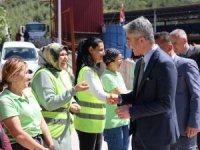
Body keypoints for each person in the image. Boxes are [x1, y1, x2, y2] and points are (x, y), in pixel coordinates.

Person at [115, 16, 179, 150]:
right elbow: (140, 93)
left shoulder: (164, 64)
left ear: (142, 40)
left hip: (158, 138)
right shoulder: (140, 63)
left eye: (129, 40)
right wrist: (121, 98)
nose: (127, 45)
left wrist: (131, 111)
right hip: (140, 135)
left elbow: (165, 104)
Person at [31, 43, 89, 150]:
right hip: (49, 131)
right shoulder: (43, 75)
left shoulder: (63, 73)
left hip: (64, 129)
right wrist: (74, 90)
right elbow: (49, 103)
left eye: (66, 54)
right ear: (51, 56)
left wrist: (73, 103)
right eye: (61, 55)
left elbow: (66, 94)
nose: (65, 57)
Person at [155, 31, 200, 150]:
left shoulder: (186, 65)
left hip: (184, 129)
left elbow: (196, 95)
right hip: (163, 130)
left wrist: (194, 123)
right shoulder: (157, 68)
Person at [74, 37, 118, 150]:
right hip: (87, 124)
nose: (103, 53)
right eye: (101, 50)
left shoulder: (92, 71)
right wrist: (115, 98)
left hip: (95, 125)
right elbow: (98, 93)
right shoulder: (87, 71)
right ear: (91, 50)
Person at [0, 57, 54, 150]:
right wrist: (41, 149)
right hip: (21, 146)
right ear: (13, 77)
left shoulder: (28, 93)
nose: (29, 77)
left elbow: (41, 122)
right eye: (25, 73)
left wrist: (50, 145)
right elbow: (18, 134)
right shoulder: (5, 100)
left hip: (38, 143)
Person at [100, 48, 130, 150]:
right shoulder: (106, 77)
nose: (121, 61)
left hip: (124, 120)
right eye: (119, 59)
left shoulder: (118, 74)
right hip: (113, 123)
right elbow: (122, 94)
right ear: (110, 62)